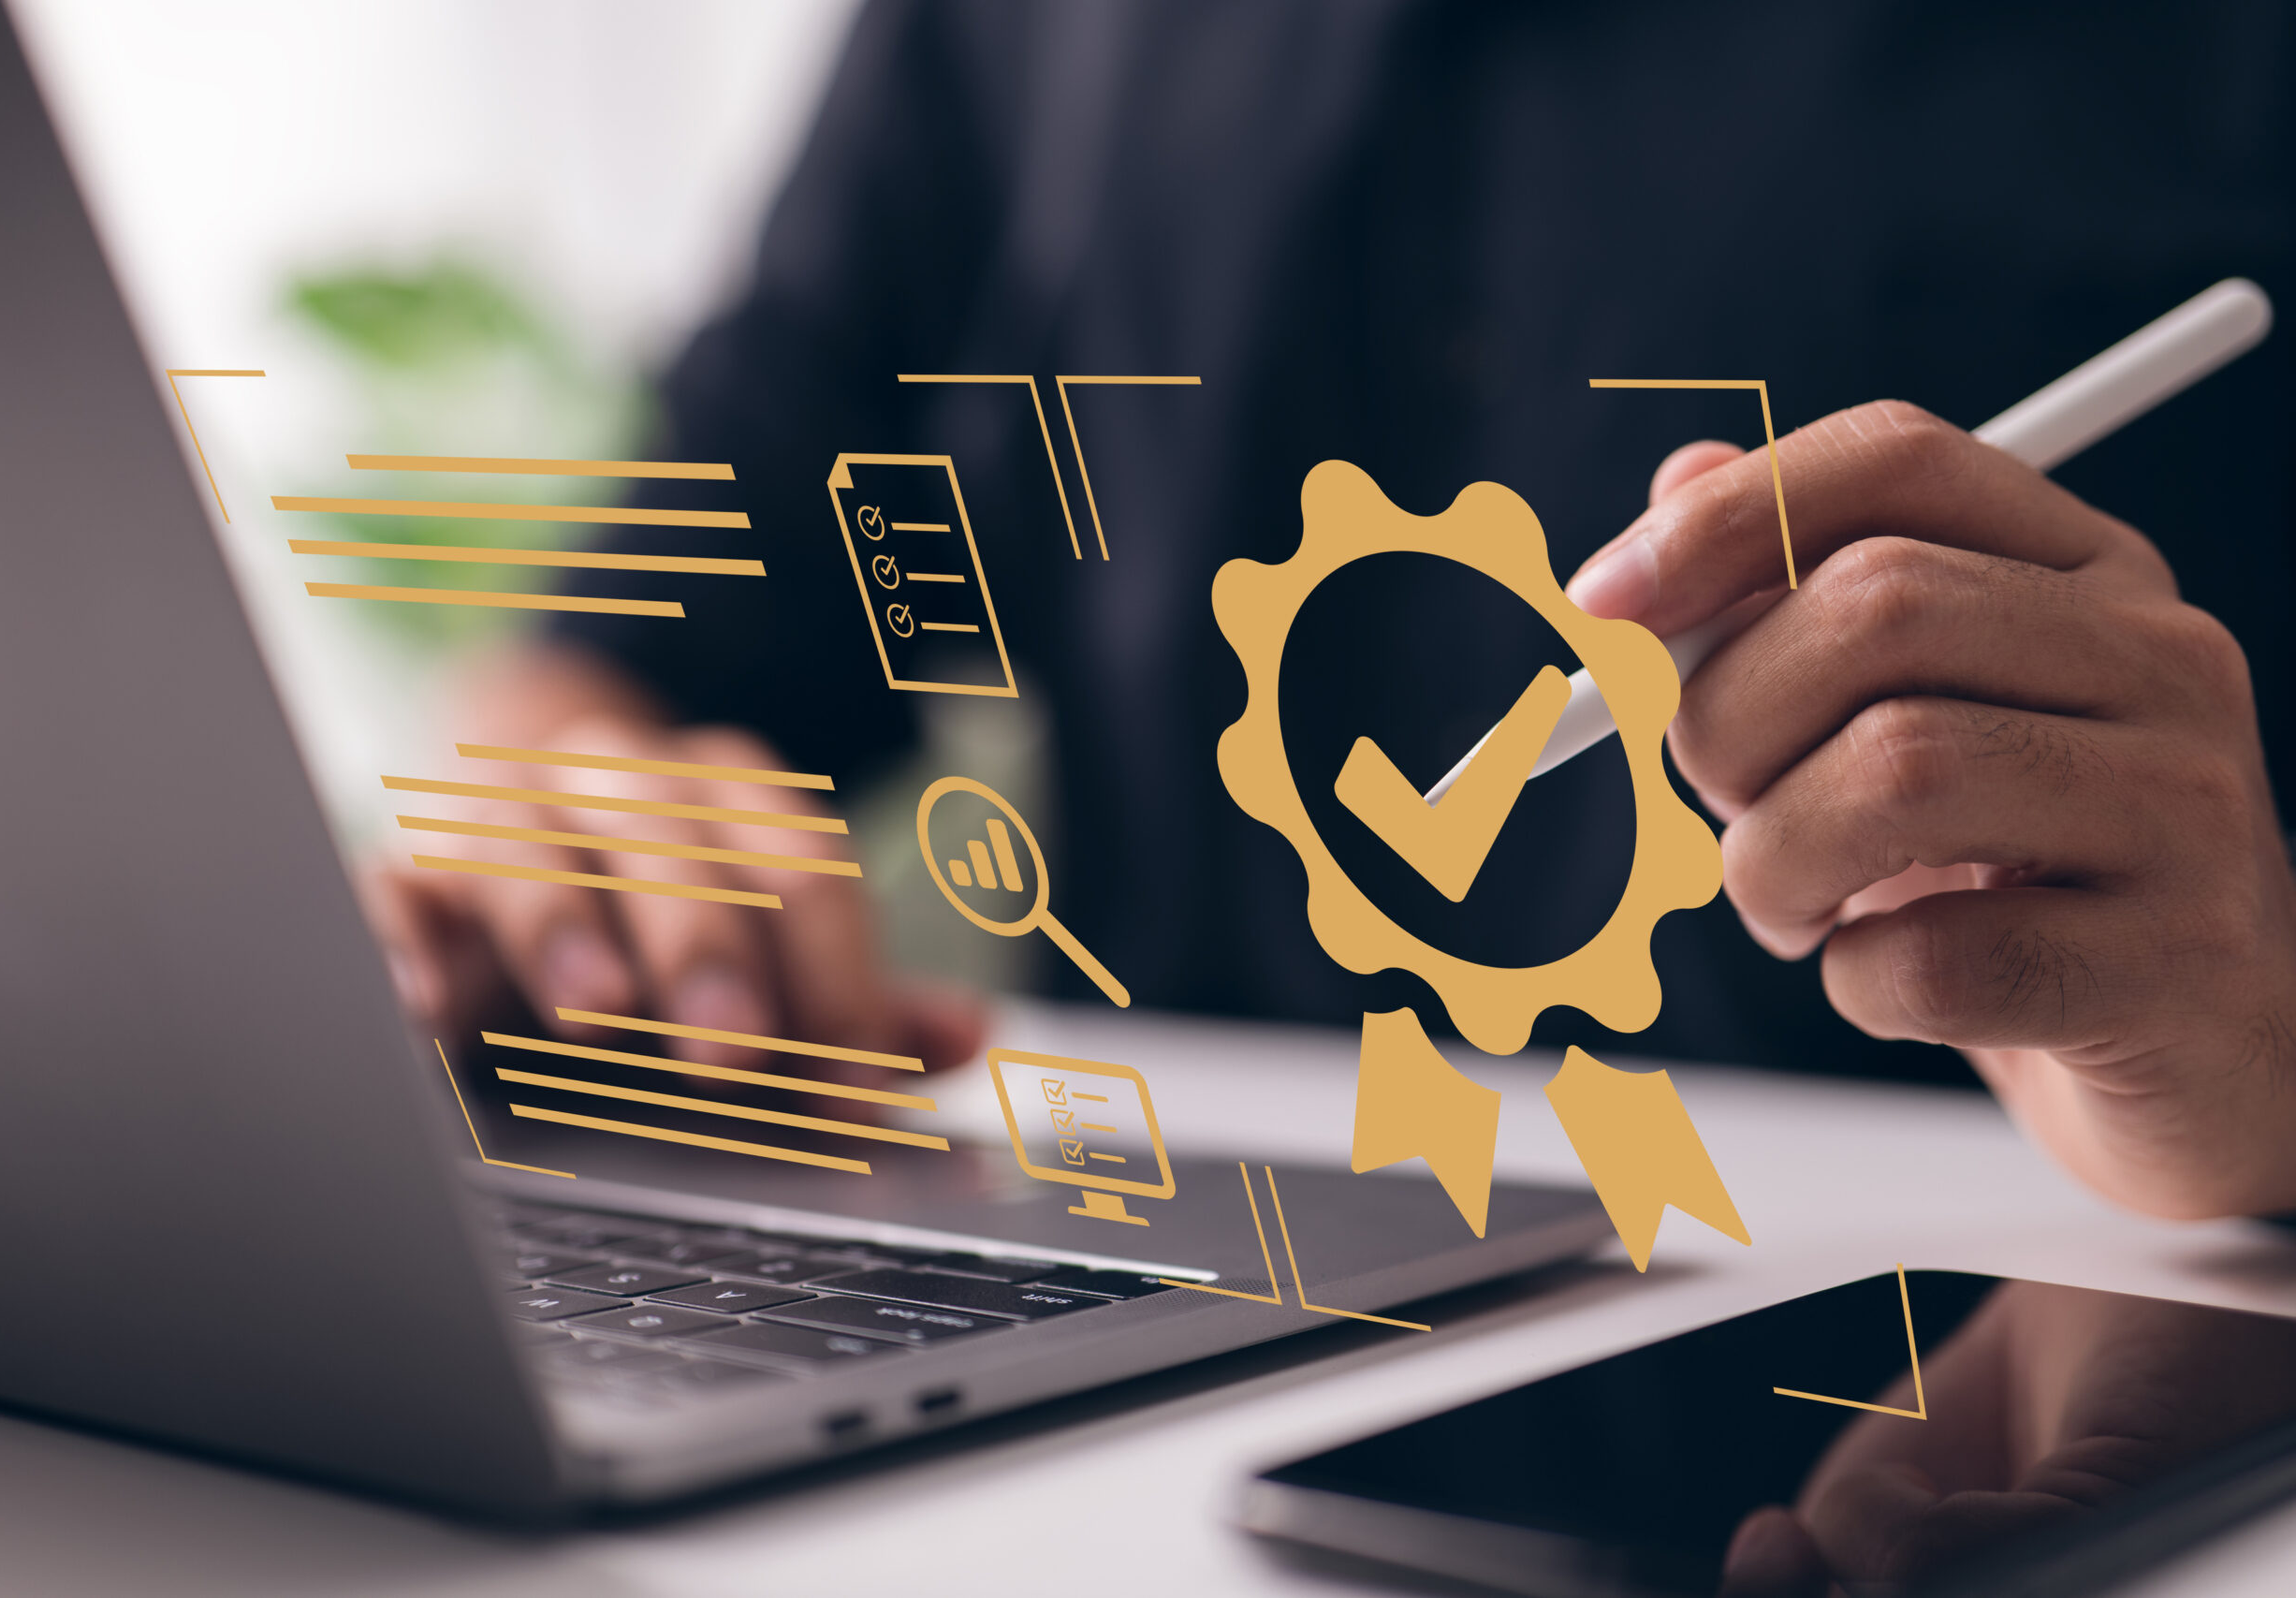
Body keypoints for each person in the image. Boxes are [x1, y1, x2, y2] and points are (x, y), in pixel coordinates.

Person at [370, 1, 2296, 1219]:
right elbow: (670, 596)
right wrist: (583, 838)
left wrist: (2255, 1064)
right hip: (1116, 1329)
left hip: (1961, 1387)